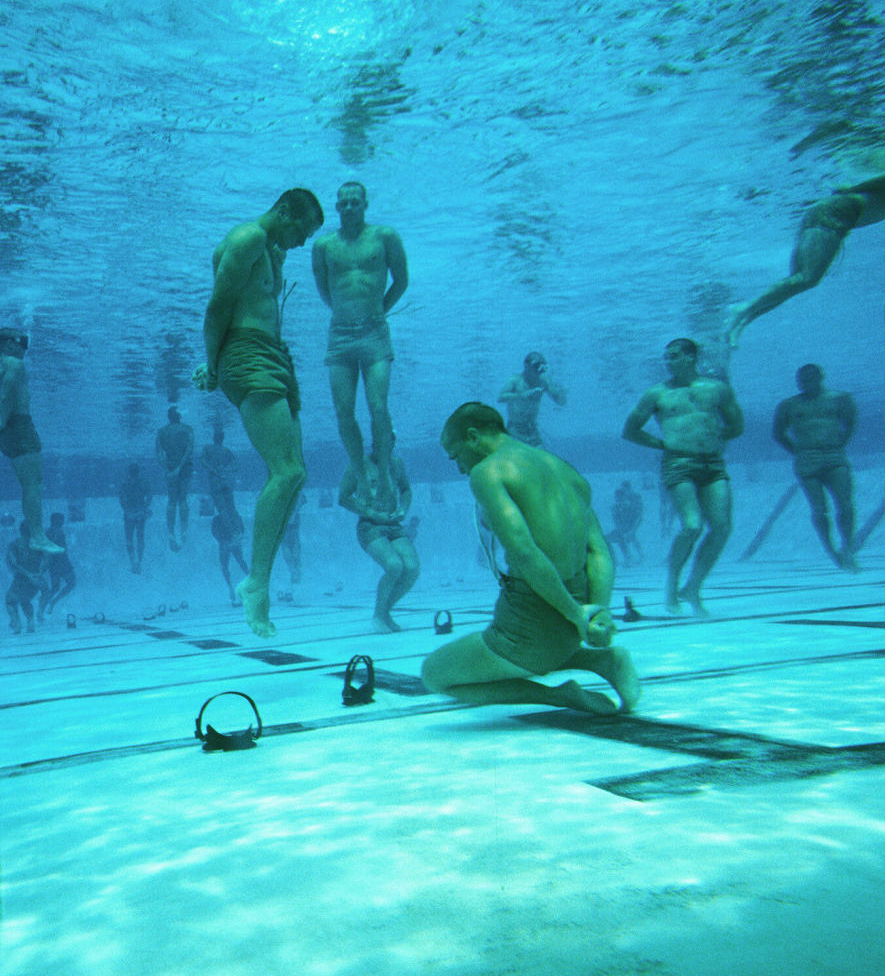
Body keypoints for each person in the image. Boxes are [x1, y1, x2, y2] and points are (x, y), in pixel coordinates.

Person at [421, 403, 640, 714]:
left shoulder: (488, 471)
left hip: (534, 625)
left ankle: (559, 696)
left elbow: (525, 553)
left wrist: (577, 615)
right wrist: (595, 614)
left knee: (433, 674)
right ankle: (603, 661)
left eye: (455, 455)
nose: (459, 468)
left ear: (472, 436)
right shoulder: (564, 469)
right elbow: (599, 551)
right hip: (571, 623)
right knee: (529, 650)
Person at [193, 187, 324, 638]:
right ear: (283, 211)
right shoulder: (247, 237)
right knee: (285, 472)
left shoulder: (269, 248)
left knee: (299, 475)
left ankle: (260, 577)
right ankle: (258, 584)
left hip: (275, 356)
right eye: (300, 230)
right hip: (248, 355)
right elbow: (218, 306)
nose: (303, 241)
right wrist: (212, 365)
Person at [726, 156, 885, 348]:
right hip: (840, 210)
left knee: (802, 281)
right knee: (806, 278)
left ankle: (742, 320)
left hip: (846, 217)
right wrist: (853, 188)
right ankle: (741, 310)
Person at [622, 338, 743, 616]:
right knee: (691, 526)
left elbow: (737, 425)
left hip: (712, 463)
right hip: (678, 463)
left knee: (722, 527)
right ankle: (672, 584)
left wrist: (715, 438)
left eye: (674, 356)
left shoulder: (717, 389)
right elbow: (630, 430)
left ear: (691, 357)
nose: (669, 361)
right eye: (667, 357)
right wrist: (662, 444)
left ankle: (693, 587)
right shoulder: (657, 394)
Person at [312, 182, 408, 508]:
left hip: (375, 333)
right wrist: (345, 314)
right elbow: (325, 290)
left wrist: (378, 311)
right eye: (344, 203)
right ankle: (359, 476)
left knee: (378, 407)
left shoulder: (385, 237)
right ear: (336, 207)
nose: (350, 207)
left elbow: (402, 280)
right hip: (340, 335)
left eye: (356, 202)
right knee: (343, 412)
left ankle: (382, 478)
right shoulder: (323, 245)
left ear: (365, 204)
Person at [772, 364, 859, 572]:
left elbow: (850, 424)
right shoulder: (789, 405)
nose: (805, 384)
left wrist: (838, 445)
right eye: (802, 380)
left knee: (845, 505)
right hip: (807, 458)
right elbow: (778, 433)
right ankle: (831, 550)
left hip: (834, 455)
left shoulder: (839, 398)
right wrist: (798, 451)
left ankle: (847, 549)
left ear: (820, 377)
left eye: (810, 379)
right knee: (819, 510)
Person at [340, 447, 420, 633]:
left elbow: (406, 489)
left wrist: (403, 509)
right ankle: (379, 616)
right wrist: (371, 513)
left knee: (412, 568)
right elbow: (343, 497)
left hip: (393, 524)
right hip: (369, 525)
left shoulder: (397, 463)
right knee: (394, 566)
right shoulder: (358, 465)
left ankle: (383, 613)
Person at [0, 328, 63, 555]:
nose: (24, 348)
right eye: (21, 342)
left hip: (12, 428)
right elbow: (5, 397)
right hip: (18, 426)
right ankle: (38, 536)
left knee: (30, 484)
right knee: (32, 484)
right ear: (7, 343)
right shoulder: (13, 364)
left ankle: (38, 535)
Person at [498, 352, 567, 448]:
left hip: (532, 429)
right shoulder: (515, 380)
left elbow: (560, 402)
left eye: (543, 367)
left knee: (540, 457)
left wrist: (561, 393)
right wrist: (521, 395)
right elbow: (500, 398)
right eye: (536, 366)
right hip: (515, 429)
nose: (540, 370)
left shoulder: (543, 380)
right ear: (527, 367)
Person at [156, 407, 194, 551]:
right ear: (179, 416)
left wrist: (168, 470)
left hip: (170, 467)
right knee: (183, 499)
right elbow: (189, 450)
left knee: (172, 501)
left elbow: (159, 454)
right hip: (184, 467)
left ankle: (171, 533)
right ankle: (183, 530)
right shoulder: (188, 429)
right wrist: (179, 468)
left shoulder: (161, 432)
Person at [6, 521, 46, 634]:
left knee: (10, 600)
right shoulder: (38, 544)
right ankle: (30, 622)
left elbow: (13, 564)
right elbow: (46, 561)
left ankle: (17, 623)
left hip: (22, 578)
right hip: (36, 579)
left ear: (20, 530)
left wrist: (27, 574)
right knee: (25, 600)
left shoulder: (15, 544)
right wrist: (39, 574)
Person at [38, 513, 76, 618]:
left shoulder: (51, 531)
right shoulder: (55, 532)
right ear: (56, 520)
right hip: (60, 562)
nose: (63, 522)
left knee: (56, 587)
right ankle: (50, 604)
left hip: (56, 563)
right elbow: (50, 549)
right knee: (70, 583)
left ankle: (43, 609)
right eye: (61, 520)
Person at [199, 419, 238, 516]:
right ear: (223, 439)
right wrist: (225, 470)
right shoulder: (227, 451)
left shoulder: (207, 448)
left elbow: (203, 461)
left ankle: (230, 528)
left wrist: (213, 469)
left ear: (213, 438)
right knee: (231, 506)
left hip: (215, 480)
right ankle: (237, 527)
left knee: (221, 508)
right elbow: (236, 466)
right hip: (226, 480)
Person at [118, 463, 151, 574]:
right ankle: (139, 561)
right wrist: (145, 508)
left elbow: (122, 499)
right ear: (139, 472)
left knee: (129, 538)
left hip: (130, 514)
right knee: (140, 537)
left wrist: (127, 510)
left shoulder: (124, 483)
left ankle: (133, 561)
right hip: (140, 512)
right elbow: (150, 496)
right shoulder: (144, 482)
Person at [211, 506, 248, 601]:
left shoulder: (222, 518)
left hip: (227, 543)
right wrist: (235, 540)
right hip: (229, 542)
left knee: (230, 564)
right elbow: (241, 530)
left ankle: (231, 586)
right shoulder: (232, 516)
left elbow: (215, 533)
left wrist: (225, 541)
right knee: (239, 562)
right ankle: (233, 585)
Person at [605, 479, 643, 565]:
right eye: (616, 497)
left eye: (619, 497)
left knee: (624, 537)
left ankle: (629, 557)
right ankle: (614, 559)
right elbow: (616, 522)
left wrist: (632, 530)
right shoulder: (615, 508)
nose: (617, 499)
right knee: (605, 539)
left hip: (629, 530)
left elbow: (637, 519)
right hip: (621, 530)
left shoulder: (631, 506)